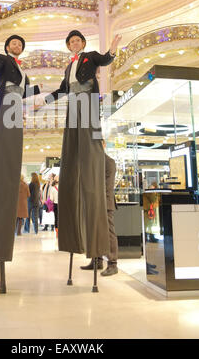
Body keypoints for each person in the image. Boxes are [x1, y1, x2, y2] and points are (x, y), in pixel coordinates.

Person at [39, 29, 121, 282]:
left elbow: (105, 60)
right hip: (74, 102)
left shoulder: (90, 57)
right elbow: (64, 89)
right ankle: (96, 257)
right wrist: (45, 100)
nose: (75, 43)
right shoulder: (68, 67)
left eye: (78, 40)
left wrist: (113, 51)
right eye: (71, 41)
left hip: (87, 99)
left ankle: (110, 260)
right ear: (68, 46)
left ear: (83, 44)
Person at [0, 35, 41, 262]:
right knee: (5, 143)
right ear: (7, 47)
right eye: (14, 43)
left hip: (16, 105)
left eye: (20, 44)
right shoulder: (3, 59)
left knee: (14, 142)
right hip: (6, 101)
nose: (17, 46)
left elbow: (25, 93)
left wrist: (39, 90)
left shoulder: (23, 72)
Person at [81, 143, 119, 276]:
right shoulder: (93, 162)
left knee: (109, 233)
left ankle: (113, 263)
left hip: (105, 203)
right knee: (93, 232)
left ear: (103, 144)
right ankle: (96, 260)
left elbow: (108, 187)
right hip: (93, 203)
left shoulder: (109, 162)